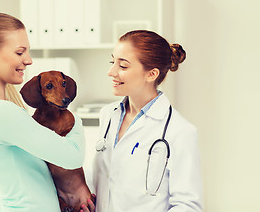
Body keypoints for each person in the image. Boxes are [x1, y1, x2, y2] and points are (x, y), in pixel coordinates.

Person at [0, 12, 90, 212]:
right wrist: (72, 116)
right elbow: (73, 156)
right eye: (20, 53)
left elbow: (35, 176)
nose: (28, 60)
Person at [82, 30, 203, 212]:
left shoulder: (180, 131)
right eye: (112, 62)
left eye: (122, 66)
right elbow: (105, 176)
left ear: (152, 74)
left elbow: (188, 206)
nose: (111, 72)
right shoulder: (108, 115)